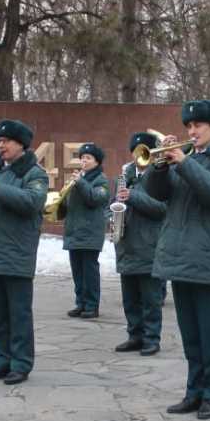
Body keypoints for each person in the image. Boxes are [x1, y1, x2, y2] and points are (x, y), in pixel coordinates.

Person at [145, 100, 210, 420]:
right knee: (189, 333)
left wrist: (184, 162)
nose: (192, 131)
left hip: (208, 256)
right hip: (179, 254)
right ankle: (193, 391)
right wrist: (160, 165)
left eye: (198, 126)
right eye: (189, 126)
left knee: (209, 334)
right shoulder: (184, 160)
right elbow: (156, 194)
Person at [0, 120, 49, 385]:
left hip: (17, 252)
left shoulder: (35, 174)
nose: (0, 146)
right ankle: (2, 359)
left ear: (21, 145)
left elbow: (31, 203)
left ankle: (21, 363)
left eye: (6, 142)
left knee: (19, 313)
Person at [114, 132, 167, 356]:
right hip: (127, 245)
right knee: (130, 299)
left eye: (144, 150)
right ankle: (134, 335)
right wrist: (113, 211)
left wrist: (133, 196)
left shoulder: (160, 176)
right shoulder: (125, 175)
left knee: (150, 299)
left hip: (150, 244)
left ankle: (151, 338)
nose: (139, 156)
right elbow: (114, 202)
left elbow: (162, 208)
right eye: (135, 152)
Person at [62, 143, 110, 319]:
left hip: (90, 233)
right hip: (74, 232)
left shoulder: (101, 180)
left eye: (88, 158)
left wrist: (80, 183)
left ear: (97, 161)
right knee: (77, 271)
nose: (83, 161)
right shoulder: (78, 179)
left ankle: (91, 305)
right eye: (82, 158)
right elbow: (69, 203)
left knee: (89, 271)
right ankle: (80, 303)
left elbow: (95, 198)